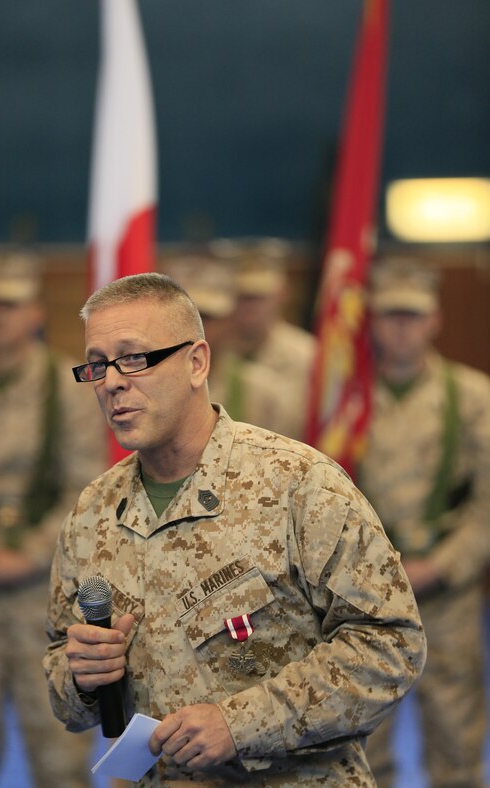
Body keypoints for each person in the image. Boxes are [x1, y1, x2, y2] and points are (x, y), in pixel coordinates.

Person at [44, 271, 426, 786]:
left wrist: (240, 724)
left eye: (134, 358)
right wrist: (83, 676)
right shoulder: (91, 514)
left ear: (197, 362)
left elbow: (392, 644)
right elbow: (65, 693)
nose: (112, 381)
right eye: (96, 365)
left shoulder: (298, 485)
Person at [0, 249, 106, 788]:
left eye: (10, 304)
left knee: (59, 755)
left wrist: (29, 555)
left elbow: (85, 493)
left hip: (44, 590)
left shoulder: (67, 388)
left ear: (36, 311)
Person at [360, 257, 490, 788]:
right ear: (371, 319)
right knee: (365, 749)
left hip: (446, 598)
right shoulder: (348, 402)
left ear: (435, 319)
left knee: (456, 747)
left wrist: (443, 564)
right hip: (366, 601)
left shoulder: (473, 397)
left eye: (413, 316)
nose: (402, 327)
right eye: (391, 314)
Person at [164, 254, 299, 438]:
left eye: (207, 317)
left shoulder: (263, 393)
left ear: (229, 321)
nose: (197, 326)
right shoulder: (159, 387)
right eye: (187, 317)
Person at [218, 239, 317, 441]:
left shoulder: (308, 356)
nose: (250, 306)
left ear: (282, 295)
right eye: (242, 296)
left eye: (259, 297)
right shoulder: (215, 350)